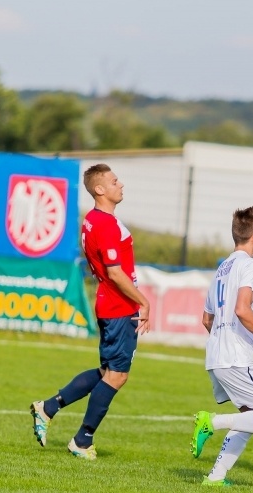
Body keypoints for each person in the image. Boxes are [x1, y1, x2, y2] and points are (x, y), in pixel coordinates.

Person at [30, 163, 150, 461]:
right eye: (113, 181)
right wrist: (144, 302)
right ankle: (82, 440)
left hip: (111, 303)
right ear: (99, 189)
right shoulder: (105, 225)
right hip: (119, 305)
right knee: (117, 376)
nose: (120, 184)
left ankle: (48, 407)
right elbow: (116, 272)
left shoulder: (94, 221)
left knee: (106, 372)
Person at [191, 206, 253, 487]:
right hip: (237, 360)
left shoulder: (222, 269)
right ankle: (212, 421)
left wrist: (223, 341)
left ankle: (216, 477)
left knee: (252, 416)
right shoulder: (250, 266)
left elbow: (206, 318)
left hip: (217, 358)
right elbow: (242, 310)